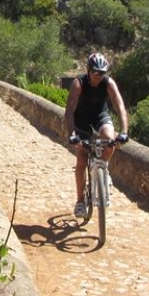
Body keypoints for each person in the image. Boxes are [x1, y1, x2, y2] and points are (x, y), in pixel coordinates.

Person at [63, 52, 129, 218]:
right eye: (96, 72)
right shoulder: (79, 83)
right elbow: (70, 110)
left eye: (103, 73)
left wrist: (124, 132)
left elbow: (119, 106)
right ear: (88, 70)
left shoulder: (108, 83)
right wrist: (72, 134)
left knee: (109, 138)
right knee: (81, 159)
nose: (99, 76)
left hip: (100, 115)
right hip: (81, 120)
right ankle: (80, 201)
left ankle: (103, 169)